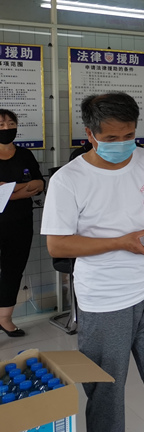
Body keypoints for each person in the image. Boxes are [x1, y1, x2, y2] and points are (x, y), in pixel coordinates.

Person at [42, 92, 144, 432]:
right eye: (111, 138)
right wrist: (121, 242)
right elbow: (57, 244)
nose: (122, 144)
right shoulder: (69, 180)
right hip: (106, 298)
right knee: (106, 387)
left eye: (129, 135)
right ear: (90, 134)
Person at [0, 109, 44, 337]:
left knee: (13, 270)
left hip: (20, 223)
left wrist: (8, 190)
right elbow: (29, 186)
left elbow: (39, 183)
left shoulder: (25, 154)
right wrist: (23, 188)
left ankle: (5, 319)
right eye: (1, 124)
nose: (6, 128)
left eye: (11, 123)